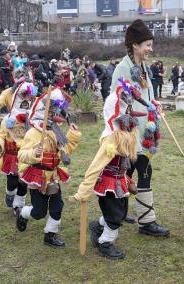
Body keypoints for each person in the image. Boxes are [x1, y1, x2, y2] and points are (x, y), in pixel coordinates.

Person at [70, 77, 155, 259]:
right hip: (108, 183)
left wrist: (127, 178)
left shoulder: (126, 138)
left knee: (121, 212)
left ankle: (98, 225)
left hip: (119, 181)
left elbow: (124, 164)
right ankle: (105, 243)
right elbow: (96, 166)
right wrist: (84, 190)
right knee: (115, 216)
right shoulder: (111, 140)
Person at [109, 19, 169, 237]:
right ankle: (146, 222)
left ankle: (119, 211)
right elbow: (116, 101)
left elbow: (144, 94)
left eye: (151, 45)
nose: (150, 49)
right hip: (130, 134)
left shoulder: (143, 67)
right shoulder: (123, 69)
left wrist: (154, 103)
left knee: (127, 172)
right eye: (147, 45)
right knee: (141, 171)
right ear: (135, 44)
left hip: (144, 132)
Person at [16, 88, 81, 248]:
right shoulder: (32, 133)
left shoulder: (55, 131)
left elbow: (66, 151)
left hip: (53, 175)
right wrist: (33, 152)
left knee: (58, 206)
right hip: (37, 176)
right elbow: (21, 155)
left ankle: (50, 235)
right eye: (50, 113)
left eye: (53, 112)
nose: (53, 115)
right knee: (39, 212)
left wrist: (72, 135)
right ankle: (22, 213)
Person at [0, 81, 37, 214]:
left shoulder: (33, 120)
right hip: (11, 155)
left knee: (24, 182)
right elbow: (1, 134)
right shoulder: (8, 120)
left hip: (26, 155)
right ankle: (10, 193)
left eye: (28, 96)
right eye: (23, 95)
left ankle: (18, 206)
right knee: (12, 183)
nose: (26, 99)